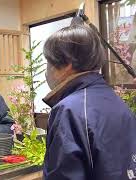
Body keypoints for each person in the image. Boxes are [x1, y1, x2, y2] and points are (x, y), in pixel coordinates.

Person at [42, 24, 136, 180]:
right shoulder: (115, 100)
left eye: (49, 62)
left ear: (68, 63)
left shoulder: (68, 110)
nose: (47, 71)